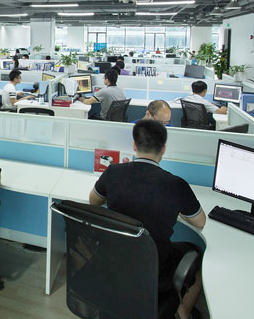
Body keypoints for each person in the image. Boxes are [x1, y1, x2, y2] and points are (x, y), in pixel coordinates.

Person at [88, 120, 206, 319]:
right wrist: (176, 207)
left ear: (134, 145)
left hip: (113, 259)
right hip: (155, 265)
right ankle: (184, 311)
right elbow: (200, 222)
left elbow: (94, 201)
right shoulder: (176, 185)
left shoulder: (113, 172)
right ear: (164, 149)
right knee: (196, 251)